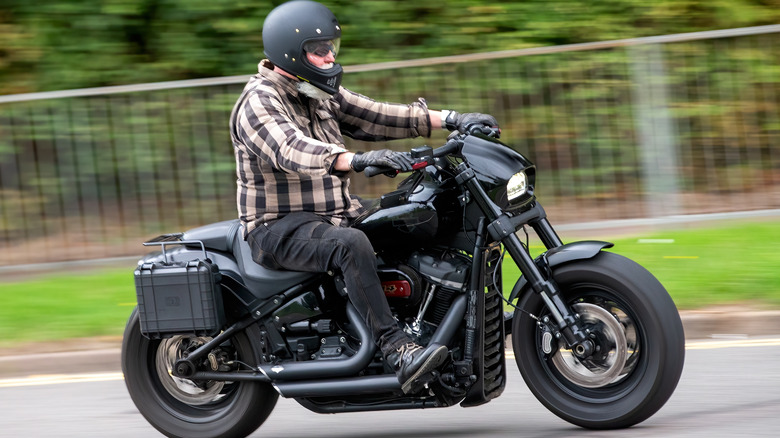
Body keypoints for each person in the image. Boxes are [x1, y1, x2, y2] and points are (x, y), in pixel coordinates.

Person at [230, 0, 498, 394]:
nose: (330, 56)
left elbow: (376, 114)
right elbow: (291, 149)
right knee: (350, 244)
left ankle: (438, 324)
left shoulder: (314, 89)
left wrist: (453, 119)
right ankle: (397, 349)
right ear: (291, 52)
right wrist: (357, 159)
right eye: (319, 49)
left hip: (335, 212)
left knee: (418, 212)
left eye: (331, 47)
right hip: (278, 227)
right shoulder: (259, 100)